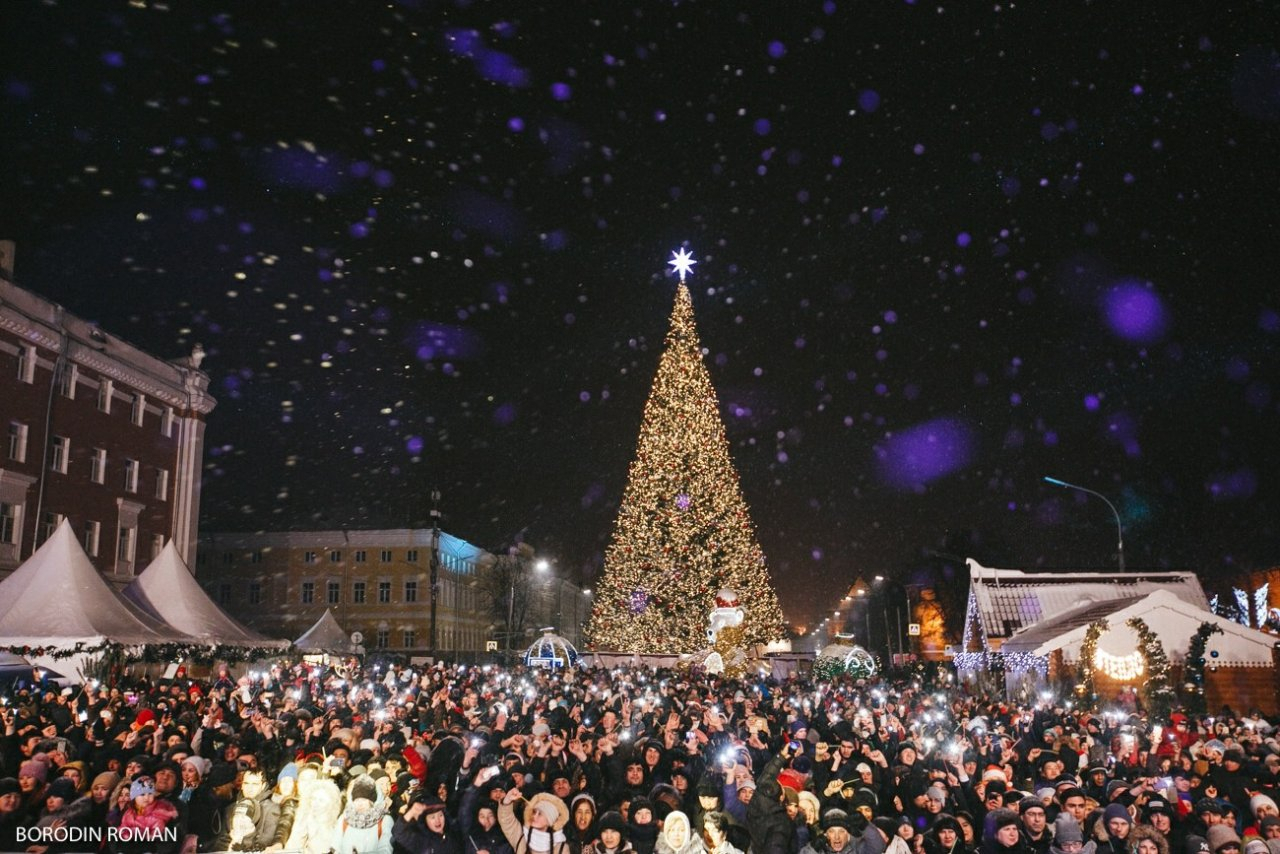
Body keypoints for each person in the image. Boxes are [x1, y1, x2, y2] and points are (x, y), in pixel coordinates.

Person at [332, 774, 392, 854]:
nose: (360, 804)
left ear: (372, 802)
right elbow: (335, 846)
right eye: (357, 800)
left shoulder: (384, 820)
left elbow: (386, 850)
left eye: (364, 800)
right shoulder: (345, 818)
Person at [499, 789, 572, 854]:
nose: (534, 816)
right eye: (534, 812)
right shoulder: (522, 837)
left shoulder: (561, 847)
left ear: (550, 820)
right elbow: (507, 821)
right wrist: (507, 800)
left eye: (540, 814)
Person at [395, 792, 464, 854]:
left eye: (440, 815)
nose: (438, 821)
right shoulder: (421, 841)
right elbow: (398, 832)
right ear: (425, 820)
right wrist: (411, 812)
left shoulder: (453, 833)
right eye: (432, 817)